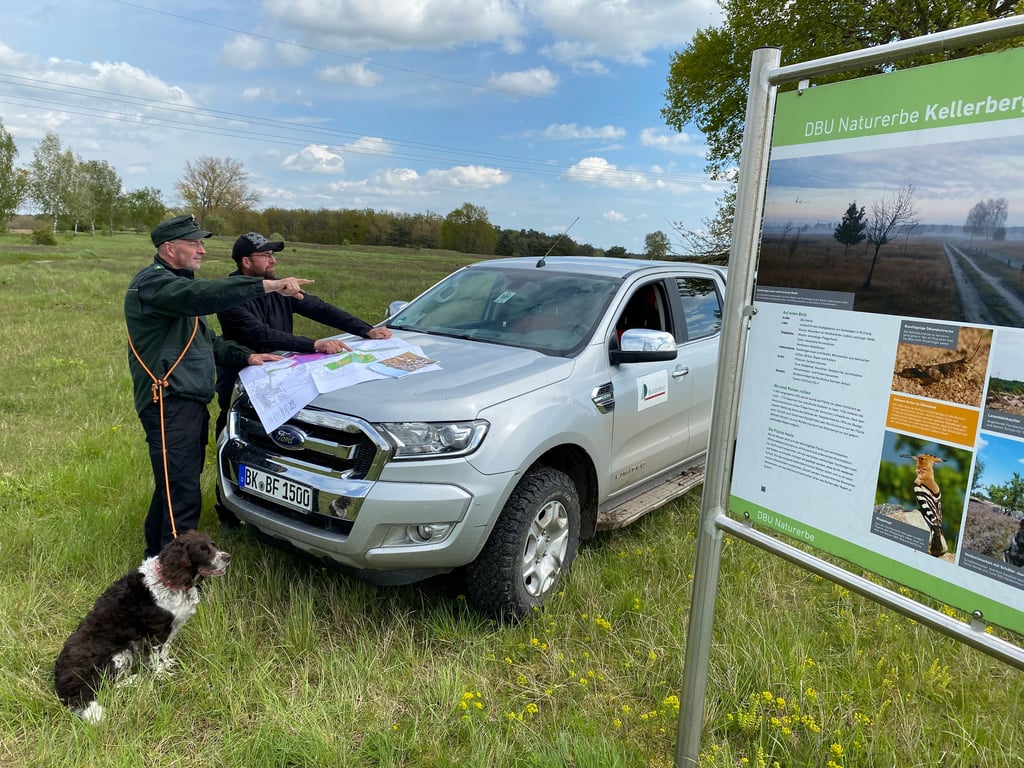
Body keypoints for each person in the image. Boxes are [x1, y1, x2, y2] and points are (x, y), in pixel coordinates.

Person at [125, 214, 314, 559]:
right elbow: (204, 293)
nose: (202, 250)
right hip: (168, 402)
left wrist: (248, 356)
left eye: (202, 243)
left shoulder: (175, 287)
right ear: (170, 248)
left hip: (188, 401)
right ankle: (175, 576)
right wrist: (268, 285)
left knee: (176, 483)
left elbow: (206, 342)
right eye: (194, 243)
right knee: (181, 489)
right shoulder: (156, 285)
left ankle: (155, 558)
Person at [214, 231, 391, 436]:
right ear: (246, 261)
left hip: (277, 377)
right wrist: (315, 344)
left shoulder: (279, 288)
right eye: (266, 256)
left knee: (278, 434)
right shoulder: (228, 294)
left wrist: (366, 330)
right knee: (237, 429)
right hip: (241, 379)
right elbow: (261, 334)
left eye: (272, 254)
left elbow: (320, 309)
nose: (273, 260)